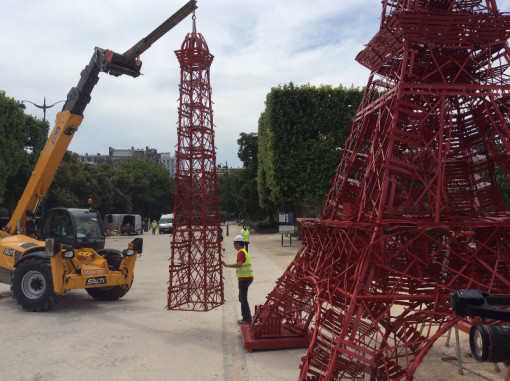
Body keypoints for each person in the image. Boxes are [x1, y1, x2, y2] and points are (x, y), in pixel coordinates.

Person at [222, 235, 254, 324]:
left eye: (234, 243)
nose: (234, 245)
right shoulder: (244, 251)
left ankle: (247, 318)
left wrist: (227, 265)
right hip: (247, 278)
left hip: (244, 279)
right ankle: (247, 316)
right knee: (241, 298)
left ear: (239, 244)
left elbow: (239, 264)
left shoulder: (240, 252)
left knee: (243, 299)